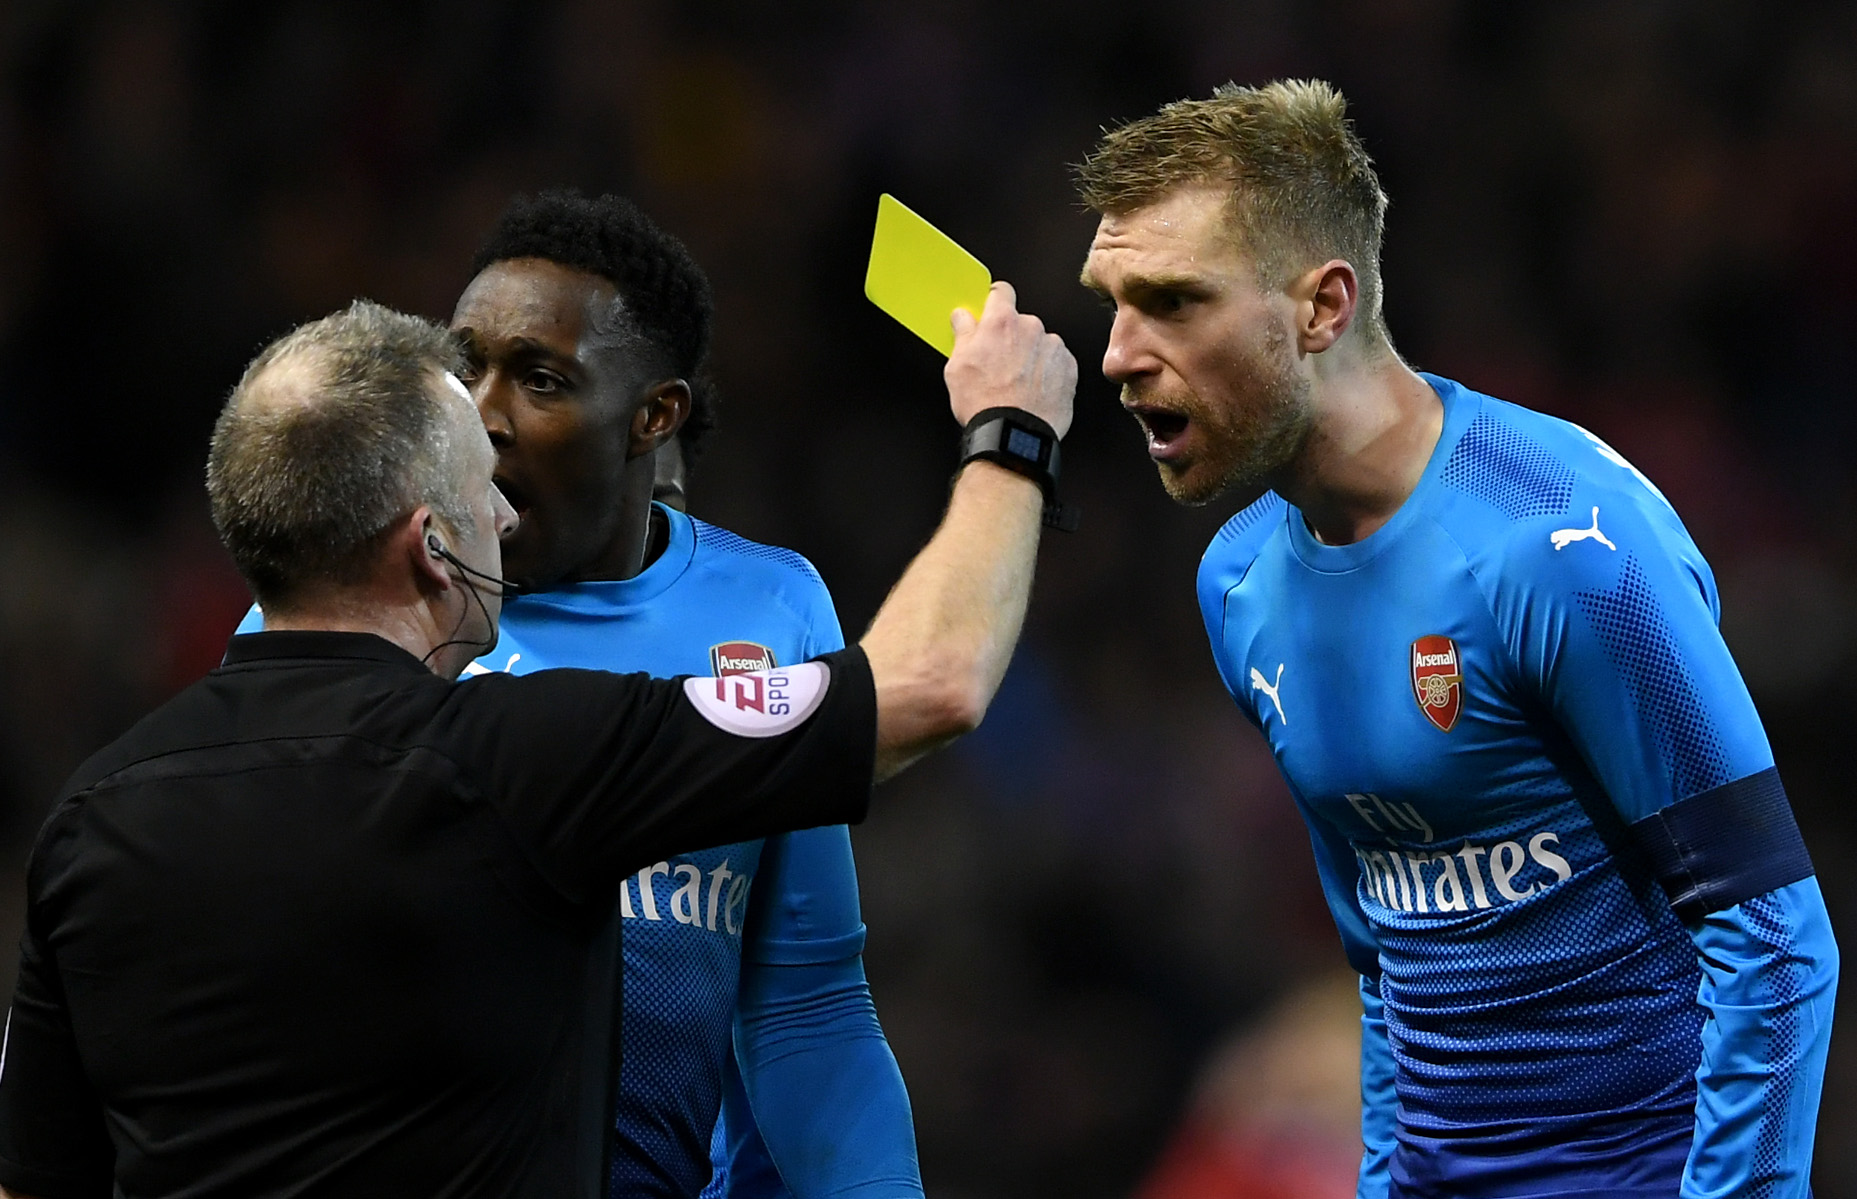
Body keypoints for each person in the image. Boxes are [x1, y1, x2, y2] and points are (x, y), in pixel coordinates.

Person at [0, 286, 1075, 1199]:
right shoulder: (522, 760)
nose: (507, 524)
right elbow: (931, 683)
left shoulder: (88, 823)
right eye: (482, 497)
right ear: (430, 547)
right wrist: (1010, 436)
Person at [1075, 80, 1836, 1199]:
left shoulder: (1558, 541)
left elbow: (1774, 935)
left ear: (1323, 307)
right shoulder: (1238, 583)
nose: (1117, 354)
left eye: (1173, 302)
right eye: (1111, 303)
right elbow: (1385, 963)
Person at [451, 190, 921, 1199]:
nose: (483, 413)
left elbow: (806, 999)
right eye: (464, 367)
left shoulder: (773, 602)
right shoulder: (360, 599)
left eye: (537, 377)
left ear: (653, 415)